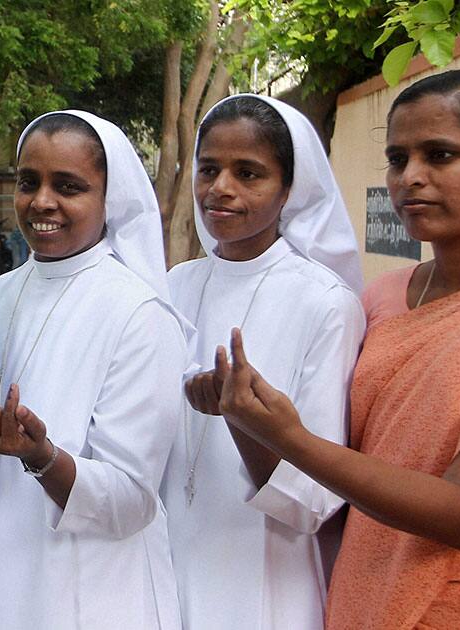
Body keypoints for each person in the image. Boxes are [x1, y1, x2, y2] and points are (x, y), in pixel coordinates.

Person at [207, 70, 460, 629]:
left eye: (440, 155)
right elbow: (360, 463)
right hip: (360, 594)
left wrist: (288, 437)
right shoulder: (384, 298)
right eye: (398, 158)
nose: (410, 178)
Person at [0, 111, 191, 629]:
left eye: (68, 186)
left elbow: (132, 498)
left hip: (88, 587)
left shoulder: (139, 313)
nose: (42, 201)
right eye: (28, 182)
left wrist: (41, 457)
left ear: (111, 199)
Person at [163, 95, 366, 629]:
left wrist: (244, 423)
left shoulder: (325, 302)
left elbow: (314, 502)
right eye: (209, 169)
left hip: (262, 575)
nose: (220, 188)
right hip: (163, 562)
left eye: (248, 173)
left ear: (289, 188)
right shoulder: (174, 286)